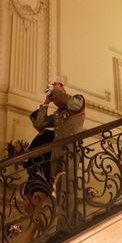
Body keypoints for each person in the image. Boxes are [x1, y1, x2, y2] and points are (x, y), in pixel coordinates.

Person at [31, 80, 85, 231]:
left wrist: (54, 91)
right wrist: (46, 102)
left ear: (63, 89)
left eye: (56, 89)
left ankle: (70, 223)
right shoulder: (57, 114)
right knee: (58, 189)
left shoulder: (77, 100)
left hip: (71, 150)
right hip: (57, 153)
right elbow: (40, 123)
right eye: (52, 91)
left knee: (69, 186)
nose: (53, 93)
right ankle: (62, 223)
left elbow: (65, 100)